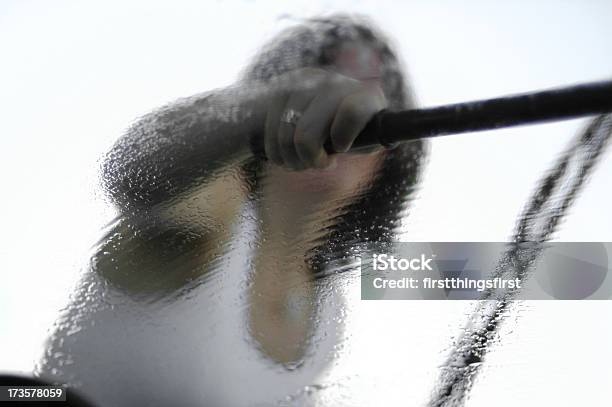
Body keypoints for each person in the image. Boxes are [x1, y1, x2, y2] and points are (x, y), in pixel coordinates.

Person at [38, 14, 427, 406]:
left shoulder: (329, 304)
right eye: (326, 92)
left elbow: (469, 272)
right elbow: (136, 176)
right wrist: (258, 111)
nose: (340, 116)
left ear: (388, 156)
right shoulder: (219, 209)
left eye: (370, 111)